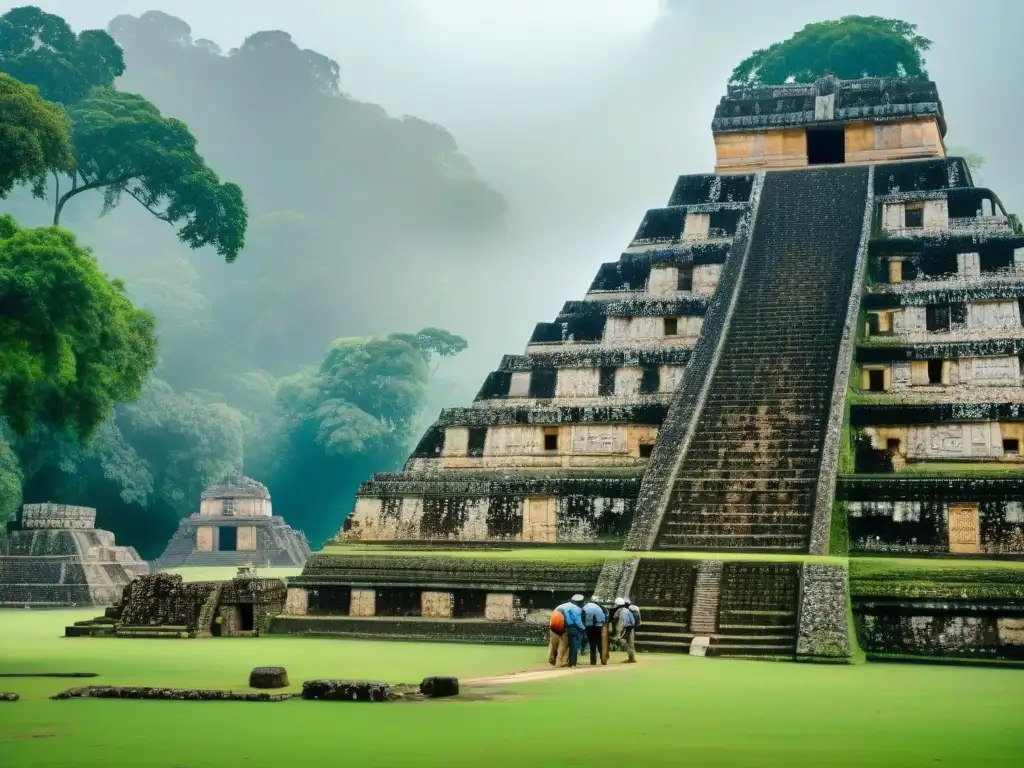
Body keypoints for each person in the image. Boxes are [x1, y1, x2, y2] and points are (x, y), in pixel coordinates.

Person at [556, 594, 586, 668]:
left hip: (562, 627)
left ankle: (561, 662)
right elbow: (578, 622)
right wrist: (584, 629)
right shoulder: (577, 609)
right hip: (574, 628)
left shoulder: (562, 606)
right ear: (580, 602)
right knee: (574, 646)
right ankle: (572, 664)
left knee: (564, 645)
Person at [581, 595, 607, 666]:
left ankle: (593, 662)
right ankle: (603, 660)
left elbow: (582, 616)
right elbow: (606, 618)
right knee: (600, 644)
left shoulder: (586, 606)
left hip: (589, 627)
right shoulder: (602, 608)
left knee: (592, 645)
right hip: (599, 627)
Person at [612, 597, 636, 663]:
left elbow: (615, 618)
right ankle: (632, 657)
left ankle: (631, 657)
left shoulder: (619, 610)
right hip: (631, 628)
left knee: (621, 640)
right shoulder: (627, 610)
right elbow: (633, 620)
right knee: (630, 642)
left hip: (623, 628)